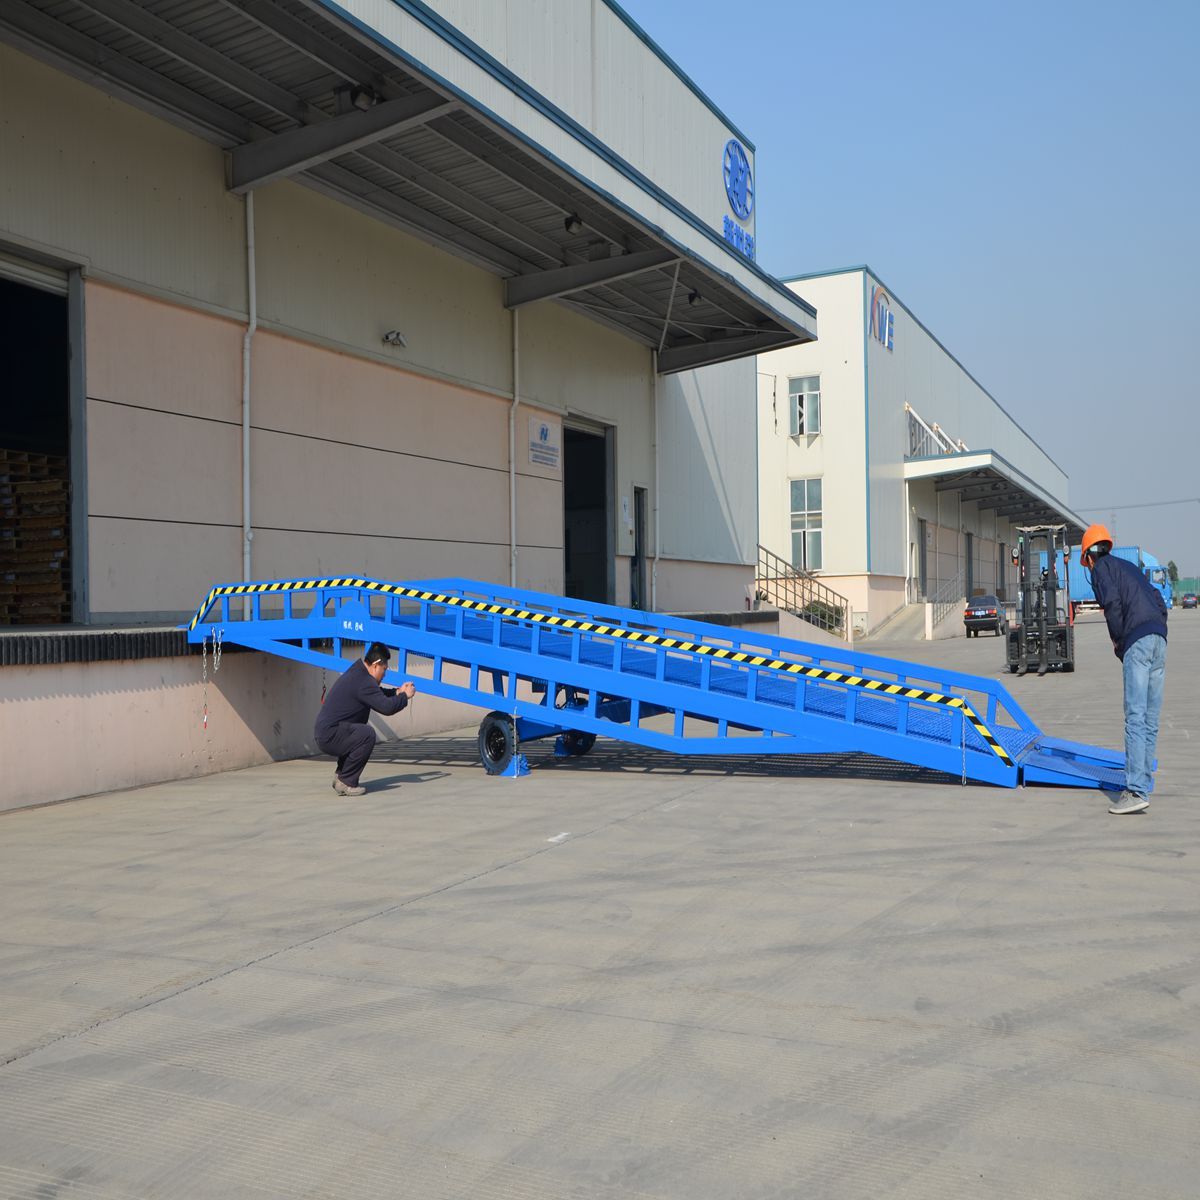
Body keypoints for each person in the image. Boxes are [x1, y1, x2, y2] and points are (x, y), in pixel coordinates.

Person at [1080, 524, 1168, 815]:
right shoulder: (1128, 566)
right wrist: (1158, 627)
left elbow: (1112, 605)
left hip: (1138, 643)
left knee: (1135, 717)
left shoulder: (1101, 569)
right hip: (1159, 640)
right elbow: (1157, 599)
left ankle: (1136, 790)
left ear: (1089, 556)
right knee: (1150, 718)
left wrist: (1119, 642)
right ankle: (1144, 781)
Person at [314, 642, 416, 796]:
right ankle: (346, 781)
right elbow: (386, 707)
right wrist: (404, 696)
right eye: (384, 669)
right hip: (330, 735)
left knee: (356, 732)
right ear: (376, 665)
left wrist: (397, 692)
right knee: (366, 735)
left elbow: (377, 694)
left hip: (327, 732)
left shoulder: (359, 674)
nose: (385, 674)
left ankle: (341, 777)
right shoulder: (363, 681)